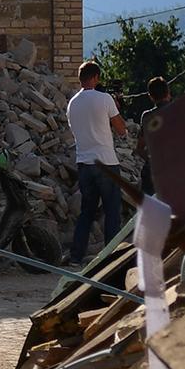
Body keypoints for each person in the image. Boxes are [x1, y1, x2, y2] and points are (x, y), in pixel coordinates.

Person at [67, 60, 129, 261]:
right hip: (106, 162)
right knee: (112, 211)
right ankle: (110, 257)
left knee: (87, 211)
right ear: (95, 77)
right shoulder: (105, 99)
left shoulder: (72, 103)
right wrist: (116, 109)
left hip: (84, 163)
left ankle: (76, 255)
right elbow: (121, 130)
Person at [133, 75, 171, 197]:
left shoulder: (147, 116)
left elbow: (140, 147)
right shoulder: (179, 111)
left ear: (150, 96)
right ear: (168, 92)